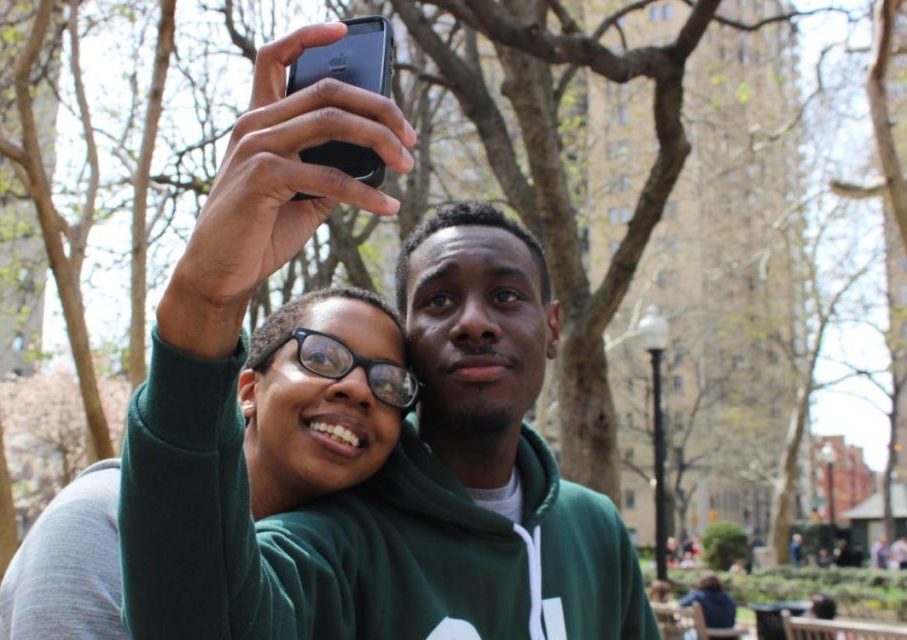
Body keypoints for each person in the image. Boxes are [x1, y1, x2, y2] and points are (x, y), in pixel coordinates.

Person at [118, 20, 658, 639]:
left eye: (507, 296)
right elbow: (196, 621)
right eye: (439, 301)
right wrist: (207, 299)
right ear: (408, 345)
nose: (475, 323)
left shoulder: (597, 528)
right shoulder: (331, 541)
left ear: (553, 328)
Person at [0, 288, 414, 639]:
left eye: (389, 384)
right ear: (248, 391)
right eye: (321, 358)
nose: (359, 390)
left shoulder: (355, 567)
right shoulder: (98, 520)